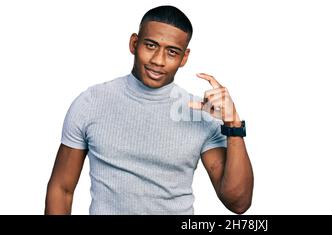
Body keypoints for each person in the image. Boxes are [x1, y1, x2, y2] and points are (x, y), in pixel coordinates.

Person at [45, 5, 253, 215]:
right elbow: (61, 189)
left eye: (172, 52)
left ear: (184, 58)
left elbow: (238, 203)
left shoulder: (200, 115)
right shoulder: (90, 103)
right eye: (151, 45)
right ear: (134, 43)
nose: (158, 61)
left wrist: (233, 125)